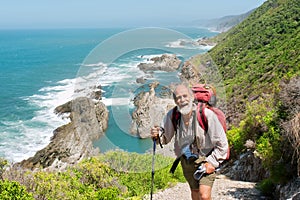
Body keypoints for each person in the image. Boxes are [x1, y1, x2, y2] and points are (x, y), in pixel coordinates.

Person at [151, 84, 229, 200]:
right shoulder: (173, 115)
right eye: (178, 97)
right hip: (187, 160)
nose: (182, 100)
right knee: (195, 193)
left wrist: (212, 162)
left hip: (206, 158)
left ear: (192, 97)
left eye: (185, 96)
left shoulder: (206, 115)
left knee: (204, 195)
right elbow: (165, 137)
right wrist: (157, 135)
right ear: (175, 101)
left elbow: (222, 144)